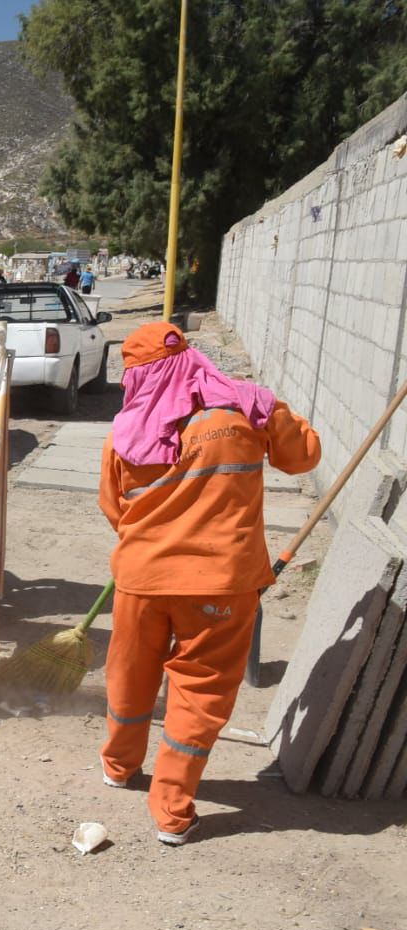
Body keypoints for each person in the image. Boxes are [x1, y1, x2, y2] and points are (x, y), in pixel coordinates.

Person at [98, 322, 321, 845]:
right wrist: (273, 407)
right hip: (221, 585)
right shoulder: (247, 409)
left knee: (130, 674)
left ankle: (118, 765)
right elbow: (303, 457)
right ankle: (172, 811)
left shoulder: (125, 429)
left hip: (142, 578)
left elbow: (113, 509)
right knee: (199, 692)